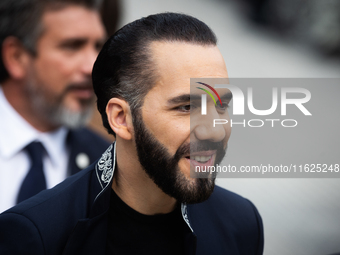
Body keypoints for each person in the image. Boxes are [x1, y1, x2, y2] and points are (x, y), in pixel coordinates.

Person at [0, 13, 264, 254]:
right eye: (186, 107)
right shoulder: (37, 234)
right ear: (121, 118)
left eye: (222, 106)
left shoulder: (242, 224)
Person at [0, 0, 111, 213]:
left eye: (98, 46)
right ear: (16, 57)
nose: (93, 67)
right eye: (72, 46)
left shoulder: (109, 163)